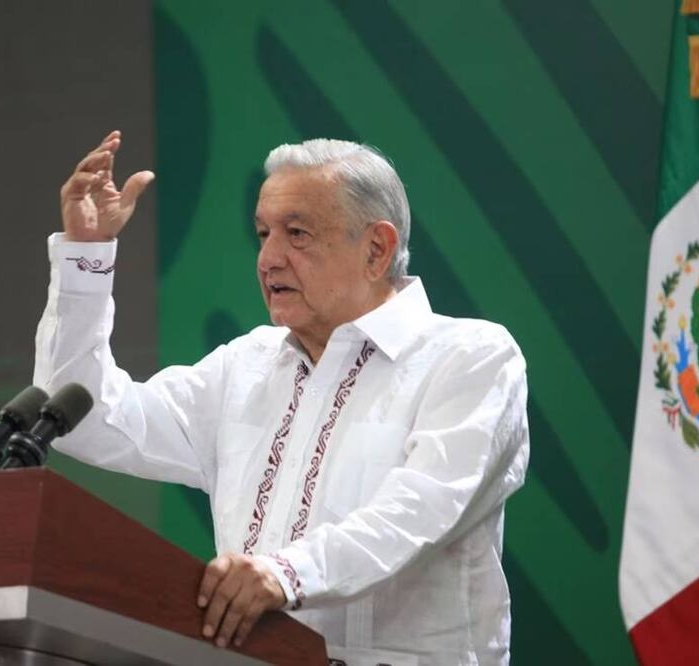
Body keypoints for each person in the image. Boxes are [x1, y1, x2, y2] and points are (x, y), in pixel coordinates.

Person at [34, 130, 530, 666]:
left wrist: (286, 573)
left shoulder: (471, 357)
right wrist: (86, 256)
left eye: (297, 233)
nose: (268, 258)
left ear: (376, 249)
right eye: (264, 233)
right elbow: (85, 419)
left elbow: (420, 510)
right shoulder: (245, 365)